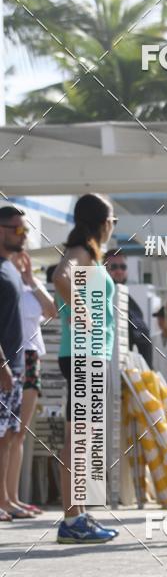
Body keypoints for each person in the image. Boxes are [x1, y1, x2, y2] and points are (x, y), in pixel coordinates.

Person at [52, 194, 120, 544]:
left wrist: (73, 312)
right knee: (78, 439)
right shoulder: (79, 252)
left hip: (86, 353)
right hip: (84, 354)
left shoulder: (86, 253)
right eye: (113, 220)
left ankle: (76, 513)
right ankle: (71, 518)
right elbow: (60, 278)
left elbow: (58, 294)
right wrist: (82, 313)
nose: (114, 227)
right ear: (101, 222)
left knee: (81, 437)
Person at [5, 250, 58, 516]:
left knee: (19, 433)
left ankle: (12, 497)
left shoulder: (27, 286)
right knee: (5, 434)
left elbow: (51, 310)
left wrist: (31, 279)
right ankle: (4, 499)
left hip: (30, 357)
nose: (20, 257)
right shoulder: (5, 282)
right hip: (10, 358)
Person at [0, 207, 28, 522]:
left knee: (8, 435)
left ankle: (5, 498)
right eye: (17, 230)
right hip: (4, 364)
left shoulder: (10, 268)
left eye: (25, 230)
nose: (23, 236)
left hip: (15, 363)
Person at [104, 248, 152, 367]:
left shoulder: (128, 300)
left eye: (123, 267)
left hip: (119, 368)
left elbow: (143, 338)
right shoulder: (96, 295)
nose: (119, 271)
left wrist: (148, 372)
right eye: (113, 267)